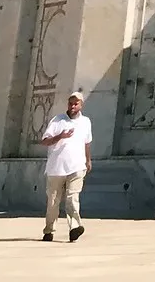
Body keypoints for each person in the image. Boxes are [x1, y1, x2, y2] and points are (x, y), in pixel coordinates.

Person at [38, 91, 93, 242]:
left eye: (76, 103)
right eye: (71, 103)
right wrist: (60, 136)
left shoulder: (86, 122)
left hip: (76, 166)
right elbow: (44, 141)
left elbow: (87, 142)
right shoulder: (58, 120)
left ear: (81, 105)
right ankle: (49, 230)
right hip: (56, 168)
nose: (73, 106)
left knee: (73, 198)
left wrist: (88, 160)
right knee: (53, 202)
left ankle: (74, 228)